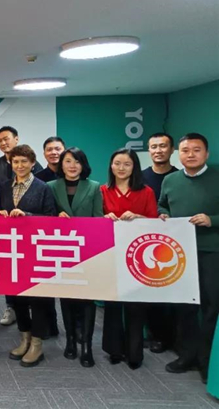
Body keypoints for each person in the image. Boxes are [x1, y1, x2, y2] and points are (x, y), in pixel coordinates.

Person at [159, 133, 219, 384]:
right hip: (180, 253)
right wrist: (163, 215)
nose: (191, 154)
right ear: (178, 154)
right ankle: (186, 356)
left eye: (196, 150)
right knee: (184, 306)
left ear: (206, 153)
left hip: (211, 251)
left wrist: (211, 220)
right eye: (185, 150)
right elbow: (162, 205)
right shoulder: (171, 180)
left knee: (210, 307)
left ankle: (206, 361)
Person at [0, 144, 56, 367]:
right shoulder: (4, 187)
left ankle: (37, 344)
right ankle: (25, 338)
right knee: (18, 297)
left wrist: (27, 215)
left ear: (32, 163)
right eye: (15, 162)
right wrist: (0, 214)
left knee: (38, 299)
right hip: (12, 251)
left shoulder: (43, 187)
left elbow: (51, 218)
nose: (19, 165)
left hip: (36, 251)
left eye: (24, 161)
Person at [100, 148, 157, 370]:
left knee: (136, 306)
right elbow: (93, 219)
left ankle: (134, 353)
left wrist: (139, 217)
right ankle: (114, 350)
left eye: (127, 164)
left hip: (137, 257)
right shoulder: (103, 190)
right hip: (110, 254)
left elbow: (155, 222)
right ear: (111, 166)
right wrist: (104, 218)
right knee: (112, 304)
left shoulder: (146, 192)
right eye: (117, 163)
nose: (121, 168)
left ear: (134, 167)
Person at [48, 147, 103, 367]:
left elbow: (99, 219)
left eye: (77, 161)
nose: (72, 166)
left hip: (87, 251)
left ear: (83, 165)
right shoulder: (51, 187)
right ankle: (70, 341)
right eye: (68, 161)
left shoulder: (94, 187)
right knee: (67, 298)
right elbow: (45, 216)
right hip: (61, 250)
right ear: (61, 165)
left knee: (87, 299)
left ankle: (86, 345)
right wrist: (55, 217)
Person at [0, 126, 43, 326]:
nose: (4, 143)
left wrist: (27, 215)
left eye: (7, 139)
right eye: (0, 140)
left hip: (31, 233)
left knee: (32, 276)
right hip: (7, 232)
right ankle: (11, 308)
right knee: (9, 273)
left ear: (16, 139)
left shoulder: (36, 171)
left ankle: (36, 318)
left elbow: (44, 205)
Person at [142, 132, 178, 354]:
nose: (158, 150)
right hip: (144, 244)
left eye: (163, 146)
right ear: (149, 150)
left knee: (172, 295)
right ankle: (154, 335)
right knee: (148, 293)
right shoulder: (140, 177)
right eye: (154, 146)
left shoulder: (178, 177)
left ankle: (169, 337)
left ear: (171, 150)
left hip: (172, 243)